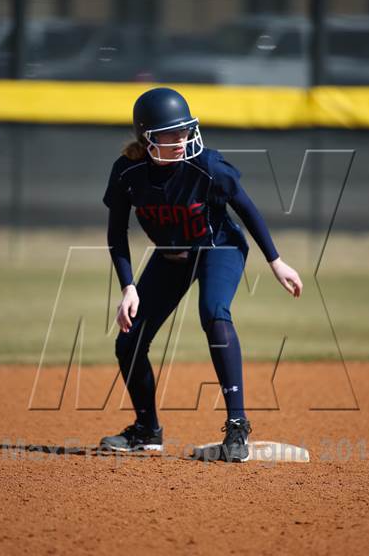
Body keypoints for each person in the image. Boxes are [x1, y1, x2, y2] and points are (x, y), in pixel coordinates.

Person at [99, 87, 303, 462]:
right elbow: (116, 233)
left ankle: (237, 425)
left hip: (219, 248)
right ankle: (146, 431)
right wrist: (128, 286)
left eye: (185, 130)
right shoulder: (128, 172)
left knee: (213, 312)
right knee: (128, 343)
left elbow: (246, 209)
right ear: (147, 138)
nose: (181, 140)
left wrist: (276, 261)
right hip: (171, 257)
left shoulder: (207, 166)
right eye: (170, 133)